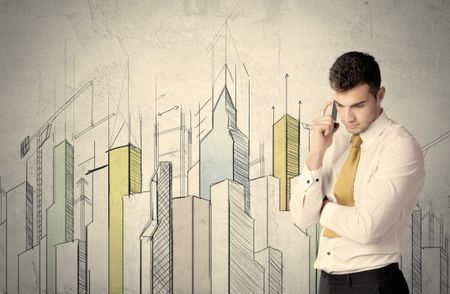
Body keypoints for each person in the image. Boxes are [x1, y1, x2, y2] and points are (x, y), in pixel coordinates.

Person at [290, 51, 425, 294]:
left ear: (380, 95)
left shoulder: (400, 146)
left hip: (373, 282)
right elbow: (302, 218)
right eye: (340, 106)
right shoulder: (334, 141)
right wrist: (316, 154)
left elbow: (367, 228)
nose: (348, 117)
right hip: (327, 283)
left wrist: (320, 206)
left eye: (358, 105)